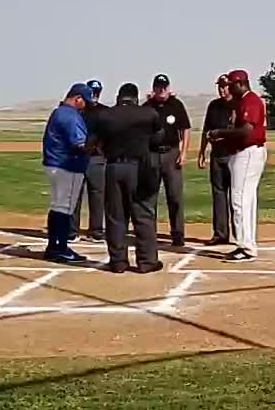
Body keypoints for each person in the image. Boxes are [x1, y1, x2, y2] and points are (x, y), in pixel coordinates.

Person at [92, 82, 166, 273]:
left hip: (114, 166)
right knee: (143, 214)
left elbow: (96, 143)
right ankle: (147, 261)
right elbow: (158, 139)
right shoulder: (148, 113)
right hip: (139, 166)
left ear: (119, 96)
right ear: (136, 97)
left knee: (115, 216)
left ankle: (118, 261)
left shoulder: (106, 115)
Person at [205, 70, 267, 263]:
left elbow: (247, 130)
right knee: (247, 200)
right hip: (246, 152)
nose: (229, 88)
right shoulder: (244, 101)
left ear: (241, 84)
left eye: (232, 85)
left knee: (239, 200)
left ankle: (245, 247)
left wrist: (219, 133)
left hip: (248, 152)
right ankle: (248, 243)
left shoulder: (250, 100)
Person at [40, 83, 93, 264]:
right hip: (67, 166)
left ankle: (53, 246)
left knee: (57, 205)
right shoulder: (70, 115)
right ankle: (61, 248)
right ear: (77, 98)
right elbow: (79, 143)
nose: (86, 105)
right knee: (64, 208)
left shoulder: (59, 112)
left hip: (55, 164)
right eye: (85, 101)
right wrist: (98, 144)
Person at [143, 73, 192, 249]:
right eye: (158, 87)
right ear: (154, 88)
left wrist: (184, 152)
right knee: (150, 197)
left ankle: (177, 234)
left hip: (171, 153)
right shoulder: (147, 107)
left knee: (175, 196)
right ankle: (149, 234)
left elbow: (185, 129)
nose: (161, 90)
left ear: (168, 88)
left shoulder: (176, 105)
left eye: (164, 86)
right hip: (152, 155)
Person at [197, 74, 235, 246]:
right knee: (218, 194)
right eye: (220, 86)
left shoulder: (237, 104)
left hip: (234, 155)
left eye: (225, 86)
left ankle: (239, 233)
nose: (222, 89)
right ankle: (220, 233)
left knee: (236, 195)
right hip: (217, 155)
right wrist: (202, 152)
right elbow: (206, 129)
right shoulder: (213, 106)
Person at [71, 79, 108, 242]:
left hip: (97, 158)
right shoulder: (76, 111)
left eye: (97, 92)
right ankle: (72, 231)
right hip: (77, 157)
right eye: (92, 92)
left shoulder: (105, 112)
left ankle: (96, 231)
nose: (94, 95)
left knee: (97, 195)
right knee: (74, 195)